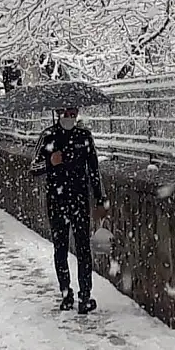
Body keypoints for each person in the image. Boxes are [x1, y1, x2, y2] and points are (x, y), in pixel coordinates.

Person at [31, 107, 107, 314]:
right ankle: (66, 293)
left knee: (83, 248)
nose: (70, 117)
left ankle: (85, 295)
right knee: (61, 248)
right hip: (57, 199)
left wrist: (100, 198)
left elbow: (93, 169)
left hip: (79, 199)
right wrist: (50, 162)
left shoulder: (84, 136)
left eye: (74, 113)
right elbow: (33, 168)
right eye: (66, 113)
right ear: (58, 113)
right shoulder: (48, 136)